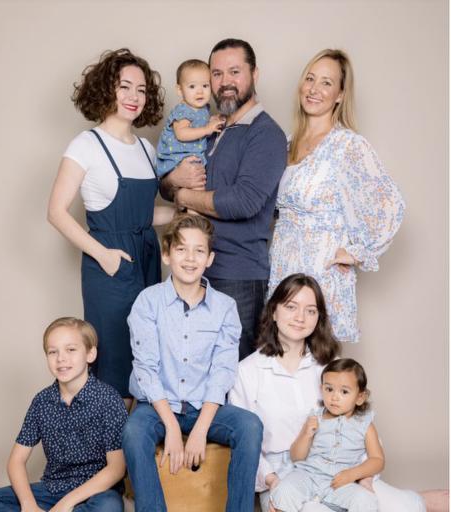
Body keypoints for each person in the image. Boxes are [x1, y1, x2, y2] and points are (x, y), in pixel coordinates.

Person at [229, 273, 426, 512]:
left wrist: (363, 477)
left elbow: (360, 424)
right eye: (291, 307)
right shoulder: (247, 371)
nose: (300, 317)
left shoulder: (330, 365)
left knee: (405, 506)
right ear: (273, 311)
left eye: (310, 311)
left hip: (338, 470)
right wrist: (272, 481)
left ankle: (426, 500)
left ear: (318, 318)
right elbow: (242, 443)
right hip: (282, 475)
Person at [48, 49, 174, 406]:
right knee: (114, 364)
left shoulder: (146, 149)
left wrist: (184, 212)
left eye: (142, 90)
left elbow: (144, 215)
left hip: (147, 259)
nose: (134, 96)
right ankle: (110, 443)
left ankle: (137, 444)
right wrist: (103, 255)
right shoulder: (86, 145)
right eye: (125, 87)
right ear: (107, 89)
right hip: (109, 264)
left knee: (146, 359)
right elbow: (56, 211)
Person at [122, 214, 263, 512]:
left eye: (199, 250)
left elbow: (223, 372)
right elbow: (146, 370)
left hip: (204, 405)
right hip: (158, 406)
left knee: (250, 426)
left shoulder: (225, 307)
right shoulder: (148, 301)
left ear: (209, 258)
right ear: (166, 254)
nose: (190, 258)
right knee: (134, 432)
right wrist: (172, 428)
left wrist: (200, 430)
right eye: (181, 249)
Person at [161, 38, 288, 360]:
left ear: (254, 74)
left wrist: (184, 194)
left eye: (235, 71)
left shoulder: (266, 134)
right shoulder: (208, 127)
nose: (225, 82)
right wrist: (174, 181)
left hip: (238, 276)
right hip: (193, 269)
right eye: (216, 74)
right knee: (191, 369)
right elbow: (165, 181)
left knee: (235, 371)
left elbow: (242, 202)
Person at [268, 49, 405, 342]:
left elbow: (390, 205)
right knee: (280, 354)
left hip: (321, 271)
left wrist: (355, 253)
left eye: (326, 83)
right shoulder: (287, 143)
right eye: (310, 79)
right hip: (281, 265)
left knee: (317, 359)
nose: (314, 89)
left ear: (340, 95)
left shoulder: (347, 145)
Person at [0, 317, 127, 511]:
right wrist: (28, 504)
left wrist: (65, 504)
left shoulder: (108, 399)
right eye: (53, 352)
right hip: (52, 489)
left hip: (96, 492)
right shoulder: (42, 402)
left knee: (109, 507)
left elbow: (116, 469)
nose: (61, 358)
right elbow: (16, 461)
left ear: (90, 354)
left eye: (71, 350)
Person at [269, 358, 383, 512]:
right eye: (329, 389)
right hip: (308, 475)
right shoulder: (316, 417)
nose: (334, 397)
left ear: (359, 397)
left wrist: (352, 474)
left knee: (366, 501)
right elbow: (296, 457)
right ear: (321, 388)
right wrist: (306, 434)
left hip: (341, 482)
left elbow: (377, 460)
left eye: (344, 391)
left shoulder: (364, 424)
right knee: (284, 491)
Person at [156, 59, 224, 177]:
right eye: (192, 86)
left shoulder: (203, 108)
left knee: (201, 180)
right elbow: (181, 134)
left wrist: (212, 121)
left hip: (192, 155)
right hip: (176, 159)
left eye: (205, 85)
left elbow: (199, 124)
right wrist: (207, 129)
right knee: (195, 181)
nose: (200, 92)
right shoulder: (183, 110)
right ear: (180, 90)